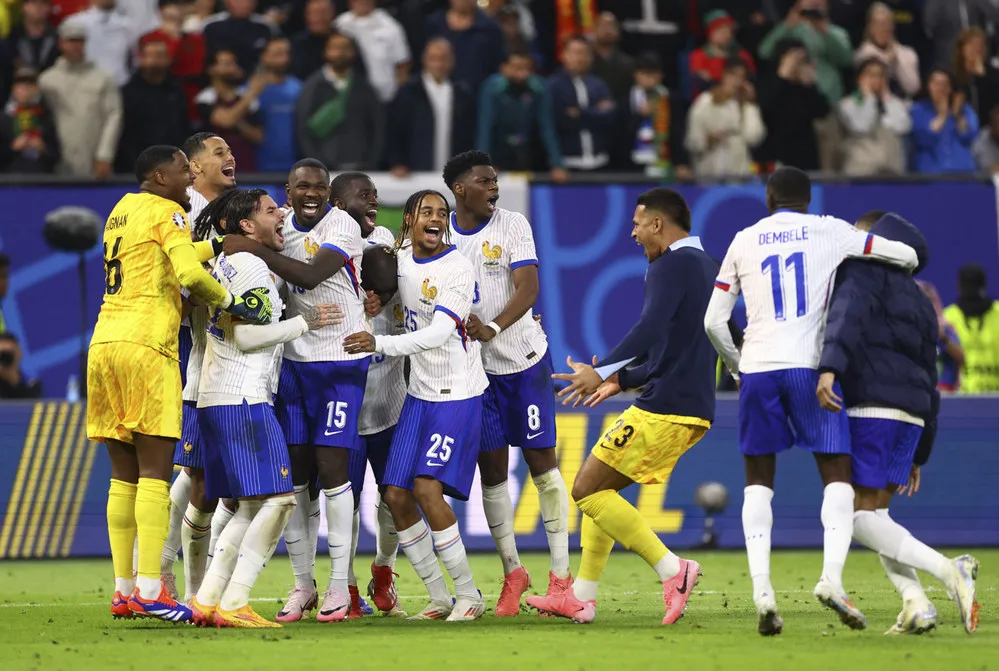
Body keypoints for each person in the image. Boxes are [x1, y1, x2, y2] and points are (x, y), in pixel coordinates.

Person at [703, 166, 919, 636]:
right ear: (807, 198)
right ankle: (832, 580)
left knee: (758, 483)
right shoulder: (832, 230)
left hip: (758, 369)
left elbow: (714, 323)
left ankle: (762, 592)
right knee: (837, 476)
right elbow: (903, 254)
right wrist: (900, 263)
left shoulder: (743, 239)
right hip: (809, 368)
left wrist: (738, 367)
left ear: (768, 198)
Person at [87, 144, 268, 622]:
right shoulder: (170, 211)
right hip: (149, 345)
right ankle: (151, 589)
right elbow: (187, 272)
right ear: (159, 176)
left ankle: (124, 589)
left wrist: (219, 245)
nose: (189, 177)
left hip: (105, 343)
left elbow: (166, 259)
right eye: (181, 169)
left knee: (122, 476)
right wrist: (234, 300)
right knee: (153, 473)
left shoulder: (122, 210)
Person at [527, 187, 716, 625]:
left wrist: (603, 368)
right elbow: (679, 347)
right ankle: (582, 598)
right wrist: (622, 380)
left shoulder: (672, 264)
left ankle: (674, 570)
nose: (632, 233)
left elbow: (649, 327)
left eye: (636, 224)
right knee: (600, 491)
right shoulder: (707, 266)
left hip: (666, 406)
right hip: (686, 403)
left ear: (657, 224)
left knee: (585, 489)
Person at [816, 210, 980, 636]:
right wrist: (919, 451)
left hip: (873, 407)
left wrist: (829, 368)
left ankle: (950, 570)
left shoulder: (863, 273)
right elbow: (931, 373)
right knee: (879, 515)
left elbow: (845, 319)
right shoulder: (922, 301)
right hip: (911, 418)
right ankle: (915, 603)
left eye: (858, 235)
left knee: (856, 518)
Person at [221, 164, 371, 623]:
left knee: (333, 470)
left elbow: (308, 276)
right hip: (294, 363)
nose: (312, 194)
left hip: (342, 360)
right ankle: (303, 585)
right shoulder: (280, 224)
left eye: (320, 187)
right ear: (288, 191)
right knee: (296, 478)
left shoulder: (341, 224)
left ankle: (339, 586)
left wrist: (247, 246)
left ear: (330, 192)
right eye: (302, 186)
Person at [188, 189, 340, 628]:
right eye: (272, 210)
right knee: (279, 502)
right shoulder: (252, 266)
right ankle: (235, 600)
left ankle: (209, 598)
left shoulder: (229, 264)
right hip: (243, 398)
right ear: (247, 227)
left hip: (220, 397)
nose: (283, 214)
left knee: (251, 505)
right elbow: (247, 337)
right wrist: (304, 323)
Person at [342, 189, 488, 622]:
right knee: (396, 495)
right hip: (418, 395)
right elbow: (376, 271)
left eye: (442, 212)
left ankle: (469, 594)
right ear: (409, 219)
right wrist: (375, 300)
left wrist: (378, 341)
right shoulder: (399, 259)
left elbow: (439, 332)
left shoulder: (458, 268)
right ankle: (440, 596)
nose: (437, 218)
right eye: (428, 211)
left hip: (457, 393)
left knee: (426, 489)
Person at [442, 150, 570, 614]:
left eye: (495, 180)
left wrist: (492, 328)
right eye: (484, 180)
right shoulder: (441, 234)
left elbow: (529, 289)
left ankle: (560, 578)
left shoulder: (512, 225)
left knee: (543, 468)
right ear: (460, 188)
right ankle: (513, 572)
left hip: (523, 362)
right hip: (477, 374)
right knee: (492, 476)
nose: (493, 187)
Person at [159, 132, 239, 603]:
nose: (231, 159)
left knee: (196, 475)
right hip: (195, 359)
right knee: (196, 474)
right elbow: (178, 284)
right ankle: (167, 574)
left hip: (232, 359)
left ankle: (167, 572)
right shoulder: (180, 213)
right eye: (219, 153)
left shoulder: (234, 210)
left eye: (231, 152)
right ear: (192, 166)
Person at [39, 20, 121, 179]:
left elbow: (113, 116)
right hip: (58, 160)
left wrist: (105, 155)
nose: (76, 46)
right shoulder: (47, 80)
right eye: (71, 41)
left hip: (94, 159)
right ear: (61, 43)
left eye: (80, 41)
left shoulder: (103, 77)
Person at [387, 38, 474, 177]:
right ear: (425, 61)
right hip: (415, 174)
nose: (439, 64)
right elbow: (395, 131)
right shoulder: (408, 91)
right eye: (434, 58)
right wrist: (398, 162)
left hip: (454, 175)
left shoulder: (462, 93)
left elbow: (469, 134)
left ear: (452, 61)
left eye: (444, 59)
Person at [296, 31, 383, 171]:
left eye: (345, 48)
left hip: (360, 167)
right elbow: (303, 131)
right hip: (324, 170)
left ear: (354, 52)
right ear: (325, 52)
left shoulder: (365, 88)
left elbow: (377, 128)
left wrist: (371, 163)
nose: (340, 53)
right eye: (334, 48)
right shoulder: (312, 87)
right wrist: (317, 166)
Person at [476, 50, 567, 181]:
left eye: (526, 68)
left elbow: (547, 127)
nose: (522, 73)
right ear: (504, 68)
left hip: (529, 152)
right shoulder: (492, 88)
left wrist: (557, 164)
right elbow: (485, 128)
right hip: (499, 151)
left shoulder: (539, 88)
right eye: (516, 67)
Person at [114, 38, 192, 174]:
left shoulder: (177, 90)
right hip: (133, 166)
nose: (154, 61)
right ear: (141, 59)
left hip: (172, 164)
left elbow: (182, 127)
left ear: (168, 59)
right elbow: (124, 133)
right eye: (150, 56)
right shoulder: (127, 92)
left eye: (159, 56)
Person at [684, 58, 765, 179]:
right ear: (724, 75)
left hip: (738, 174)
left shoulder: (747, 106)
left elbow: (754, 136)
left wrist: (751, 104)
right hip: (708, 173)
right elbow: (693, 140)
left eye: (741, 77)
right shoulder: (705, 101)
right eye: (732, 75)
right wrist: (709, 139)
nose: (736, 81)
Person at [758, 40, 829, 172]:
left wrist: (809, 84)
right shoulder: (768, 81)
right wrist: (783, 76)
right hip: (776, 155)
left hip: (805, 155)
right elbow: (765, 108)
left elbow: (822, 111)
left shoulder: (804, 86)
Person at [547, 35, 615, 173]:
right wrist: (594, 112)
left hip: (600, 162)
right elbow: (559, 122)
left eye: (584, 52)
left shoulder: (599, 84)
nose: (579, 57)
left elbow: (609, 117)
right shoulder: (553, 86)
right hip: (568, 164)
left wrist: (580, 113)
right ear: (564, 55)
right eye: (574, 52)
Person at [838, 58, 911, 177]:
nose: (876, 80)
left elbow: (904, 126)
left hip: (891, 170)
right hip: (860, 170)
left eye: (881, 75)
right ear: (860, 79)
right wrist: (869, 98)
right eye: (871, 75)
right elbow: (862, 126)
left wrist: (885, 100)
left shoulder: (894, 103)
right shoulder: (848, 104)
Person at [195, 49, 264, 173]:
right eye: (227, 64)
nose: (233, 69)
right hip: (214, 168)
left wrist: (237, 121)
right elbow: (225, 121)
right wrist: (252, 92)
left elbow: (258, 137)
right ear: (212, 69)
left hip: (246, 165)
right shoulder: (205, 98)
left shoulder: (248, 100)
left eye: (234, 64)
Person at [334, 0, 411, 104]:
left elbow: (403, 64)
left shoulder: (390, 26)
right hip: (347, 98)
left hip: (384, 98)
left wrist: (397, 93)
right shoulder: (340, 24)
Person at [423, 0, 505, 96]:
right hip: (437, 97)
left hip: (478, 97)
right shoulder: (433, 25)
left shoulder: (490, 28)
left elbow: (498, 66)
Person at [943, 264, 999, 393]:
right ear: (984, 284)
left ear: (959, 286)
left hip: (966, 398)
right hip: (963, 396)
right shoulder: (948, 319)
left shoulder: (948, 317)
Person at [911, 69, 978, 174]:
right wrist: (942, 115)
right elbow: (923, 138)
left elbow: (969, 136)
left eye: (944, 84)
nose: (940, 88)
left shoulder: (965, 110)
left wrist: (957, 115)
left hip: (963, 173)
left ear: (950, 88)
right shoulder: (918, 109)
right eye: (936, 83)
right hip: (931, 175)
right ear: (928, 86)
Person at [255, 36, 303, 173]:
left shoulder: (299, 88)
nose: (283, 59)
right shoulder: (251, 90)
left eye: (286, 54)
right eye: (277, 54)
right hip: (259, 167)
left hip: (295, 165)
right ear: (264, 57)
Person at [853, 2, 920, 99]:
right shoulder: (862, 54)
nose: (883, 28)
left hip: (902, 107)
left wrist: (897, 61)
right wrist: (887, 62)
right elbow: (869, 86)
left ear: (892, 27)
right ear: (869, 27)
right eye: (878, 24)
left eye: (886, 23)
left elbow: (913, 88)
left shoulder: (907, 53)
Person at [1, 67, 60, 173]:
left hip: (41, 179)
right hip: (10, 181)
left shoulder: (45, 118)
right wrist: (12, 148)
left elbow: (57, 155)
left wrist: (43, 148)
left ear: (37, 89)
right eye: (21, 85)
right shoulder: (4, 119)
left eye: (30, 85)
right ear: (14, 89)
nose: (26, 90)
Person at [61, 0, 134, 86]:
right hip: (84, 84)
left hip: (120, 84)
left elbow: (134, 58)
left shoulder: (128, 24)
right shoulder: (74, 22)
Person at [689, 10, 756, 97]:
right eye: (721, 31)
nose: (726, 35)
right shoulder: (699, 55)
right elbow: (700, 81)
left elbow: (750, 76)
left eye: (729, 31)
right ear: (710, 33)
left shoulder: (742, 55)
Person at [202, 0, 278, 75]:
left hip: (259, 79)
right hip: (219, 80)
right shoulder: (210, 26)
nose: (243, 4)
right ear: (227, 2)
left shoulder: (267, 27)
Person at [917, 279, 964, 392]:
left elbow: (961, 358)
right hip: (919, 390)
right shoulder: (905, 329)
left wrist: (944, 338)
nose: (930, 306)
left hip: (945, 390)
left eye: (932, 300)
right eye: (925, 301)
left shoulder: (946, 328)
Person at [951, 27, 999, 128]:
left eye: (980, 45)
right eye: (971, 44)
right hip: (961, 124)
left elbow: (993, 102)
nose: (976, 49)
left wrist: (982, 77)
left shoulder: (993, 73)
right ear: (962, 48)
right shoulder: (954, 73)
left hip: (988, 126)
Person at [6, 0, 60, 74]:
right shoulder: (12, 36)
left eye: (43, 3)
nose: (38, 7)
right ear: (23, 7)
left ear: (49, 8)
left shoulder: (57, 37)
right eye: (33, 3)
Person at [291, 0, 334, 81]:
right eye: (316, 13)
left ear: (332, 14)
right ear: (307, 16)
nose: (320, 17)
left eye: (324, 12)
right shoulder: (296, 43)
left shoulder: (343, 42)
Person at [0, 333, 42, 399]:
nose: (5, 357)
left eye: (9, 353)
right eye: (2, 354)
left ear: (19, 353)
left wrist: (13, 380)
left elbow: (27, 406)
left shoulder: (31, 384)